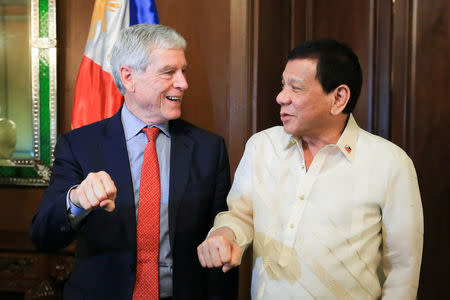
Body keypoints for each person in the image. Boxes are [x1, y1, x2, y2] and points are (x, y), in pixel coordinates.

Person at [197, 39, 423, 299]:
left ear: (339, 97)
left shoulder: (390, 163)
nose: (281, 97)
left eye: (296, 88)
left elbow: (402, 271)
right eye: (283, 85)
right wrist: (225, 233)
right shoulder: (262, 146)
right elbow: (240, 215)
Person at [30, 24, 238, 300]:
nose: (183, 83)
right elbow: (43, 236)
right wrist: (77, 200)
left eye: (183, 71)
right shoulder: (79, 146)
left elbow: (221, 239)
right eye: (168, 72)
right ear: (128, 77)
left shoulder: (209, 149)